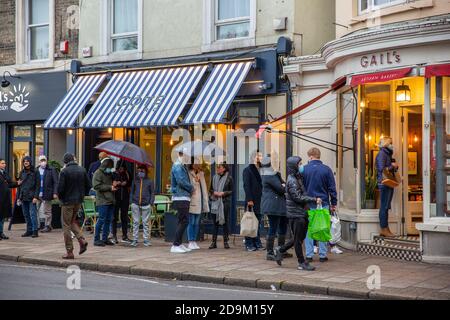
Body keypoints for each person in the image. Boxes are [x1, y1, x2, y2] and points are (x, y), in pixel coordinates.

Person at [274, 156, 320, 271]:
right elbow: (298, 197)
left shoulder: (297, 177)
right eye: (299, 164)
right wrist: (313, 199)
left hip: (301, 212)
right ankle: (301, 262)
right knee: (298, 240)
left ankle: (280, 250)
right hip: (296, 214)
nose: (301, 166)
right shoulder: (292, 181)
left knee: (299, 238)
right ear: (294, 166)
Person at [303, 147, 342, 263]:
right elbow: (332, 188)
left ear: (310, 156)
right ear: (319, 156)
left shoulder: (304, 169)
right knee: (323, 229)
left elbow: (301, 188)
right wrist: (334, 203)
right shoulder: (327, 170)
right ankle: (322, 255)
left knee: (309, 230)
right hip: (324, 203)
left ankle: (309, 255)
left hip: (309, 204)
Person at [57, 153, 90, 259]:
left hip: (67, 202)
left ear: (65, 162)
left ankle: (69, 251)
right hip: (78, 201)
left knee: (66, 225)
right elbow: (88, 185)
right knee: (71, 222)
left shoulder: (64, 171)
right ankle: (81, 239)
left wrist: (61, 198)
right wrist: (81, 195)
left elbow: (60, 189)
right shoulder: (82, 169)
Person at [260, 155, 289, 261]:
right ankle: (270, 252)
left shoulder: (274, 173)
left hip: (279, 205)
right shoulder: (269, 174)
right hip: (273, 205)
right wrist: (283, 185)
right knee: (273, 228)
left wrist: (283, 185)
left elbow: (283, 184)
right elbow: (281, 189)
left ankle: (281, 250)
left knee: (282, 227)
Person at [170, 149, 194, 253]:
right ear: (183, 155)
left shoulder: (182, 166)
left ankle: (178, 243)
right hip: (181, 196)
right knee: (184, 220)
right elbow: (181, 181)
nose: (189, 158)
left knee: (182, 220)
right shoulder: (177, 166)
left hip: (183, 196)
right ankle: (175, 245)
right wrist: (192, 188)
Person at [92, 157, 118, 247]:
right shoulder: (98, 173)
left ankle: (105, 238)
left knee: (108, 220)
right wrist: (110, 187)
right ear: (105, 165)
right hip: (102, 200)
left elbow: (112, 183)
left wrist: (115, 183)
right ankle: (96, 239)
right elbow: (96, 186)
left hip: (111, 200)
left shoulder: (110, 173)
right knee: (101, 219)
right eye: (110, 167)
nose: (110, 169)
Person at [376, 137, 398, 238]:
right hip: (384, 183)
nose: (392, 145)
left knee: (385, 207)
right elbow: (381, 169)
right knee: (384, 207)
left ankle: (385, 229)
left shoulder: (387, 154)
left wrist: (394, 166)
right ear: (386, 144)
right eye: (391, 143)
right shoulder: (382, 154)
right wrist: (392, 166)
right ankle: (384, 229)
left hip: (388, 183)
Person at [209, 162, 233, 249]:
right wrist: (214, 192)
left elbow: (231, 191)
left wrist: (223, 193)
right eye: (217, 167)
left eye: (220, 167)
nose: (218, 168)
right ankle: (213, 242)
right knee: (215, 222)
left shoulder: (229, 178)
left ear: (224, 169)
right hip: (215, 202)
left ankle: (226, 242)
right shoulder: (214, 177)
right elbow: (210, 189)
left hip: (224, 202)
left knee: (225, 222)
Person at [243, 150, 263, 251]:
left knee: (257, 222)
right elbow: (246, 186)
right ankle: (248, 243)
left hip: (260, 200)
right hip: (251, 200)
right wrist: (249, 199)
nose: (260, 157)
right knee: (250, 221)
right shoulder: (248, 170)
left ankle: (257, 242)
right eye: (259, 155)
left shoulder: (262, 169)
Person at [130, 165, 155, 247]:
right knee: (136, 222)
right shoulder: (135, 180)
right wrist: (131, 201)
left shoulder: (150, 181)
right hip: (135, 203)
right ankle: (135, 239)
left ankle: (146, 240)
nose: (140, 172)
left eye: (142, 171)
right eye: (139, 171)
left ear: (146, 171)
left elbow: (152, 192)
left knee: (145, 223)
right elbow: (132, 191)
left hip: (146, 204)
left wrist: (151, 202)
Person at [187, 161, 209, 250]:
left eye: (198, 164)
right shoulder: (189, 174)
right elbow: (189, 186)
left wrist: (205, 201)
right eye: (195, 164)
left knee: (196, 223)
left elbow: (204, 188)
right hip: (192, 200)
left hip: (200, 201)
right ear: (192, 165)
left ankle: (194, 241)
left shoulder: (201, 174)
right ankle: (190, 241)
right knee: (191, 222)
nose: (197, 165)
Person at [35, 155, 59, 233]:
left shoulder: (51, 169)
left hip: (47, 193)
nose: (43, 162)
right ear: (39, 162)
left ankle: (47, 225)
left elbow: (56, 182)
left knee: (47, 211)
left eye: (44, 160)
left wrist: (55, 192)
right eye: (41, 160)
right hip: (37, 194)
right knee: (35, 210)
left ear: (46, 161)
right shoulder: (36, 170)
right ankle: (37, 225)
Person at [17, 156, 40, 238]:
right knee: (26, 214)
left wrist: (36, 197)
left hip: (32, 196)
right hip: (23, 196)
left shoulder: (35, 172)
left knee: (33, 214)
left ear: (30, 162)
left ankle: (35, 231)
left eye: (27, 161)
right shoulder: (21, 172)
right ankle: (29, 230)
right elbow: (19, 185)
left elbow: (38, 185)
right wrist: (19, 197)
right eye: (24, 161)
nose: (25, 162)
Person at [0, 158, 20, 240]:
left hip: (5, 199)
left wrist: (17, 183)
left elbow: (10, 183)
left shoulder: (5, 173)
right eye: (2, 163)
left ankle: (1, 233)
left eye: (4, 163)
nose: (4, 164)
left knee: (2, 217)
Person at [112, 162, 131, 243]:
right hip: (116, 198)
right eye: (120, 168)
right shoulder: (113, 174)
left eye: (123, 168)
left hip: (125, 198)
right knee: (114, 217)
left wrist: (126, 183)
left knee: (124, 217)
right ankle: (114, 235)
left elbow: (130, 183)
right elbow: (112, 184)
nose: (121, 170)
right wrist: (117, 183)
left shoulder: (127, 174)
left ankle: (125, 235)